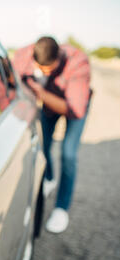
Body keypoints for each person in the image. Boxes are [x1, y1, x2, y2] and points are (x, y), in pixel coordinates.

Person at [13, 36, 92, 234]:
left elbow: (75, 110)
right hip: (48, 107)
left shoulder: (78, 63)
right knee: (44, 143)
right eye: (40, 68)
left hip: (74, 104)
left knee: (68, 154)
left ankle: (61, 208)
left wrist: (40, 93)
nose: (43, 73)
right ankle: (49, 178)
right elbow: (9, 80)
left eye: (49, 70)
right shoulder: (24, 54)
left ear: (59, 58)